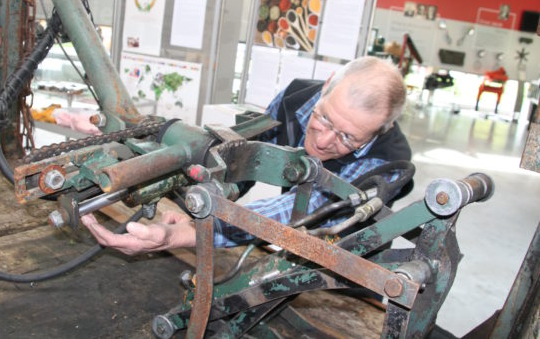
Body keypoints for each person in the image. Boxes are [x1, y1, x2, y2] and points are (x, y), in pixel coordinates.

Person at [82, 56, 411, 254]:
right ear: (326, 86)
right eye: (324, 117)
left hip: (347, 268)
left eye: (347, 137)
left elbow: (301, 211)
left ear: (380, 129)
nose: (324, 140)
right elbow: (248, 157)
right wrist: (219, 196)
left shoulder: (388, 161)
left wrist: (189, 233)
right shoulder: (297, 96)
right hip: (288, 243)